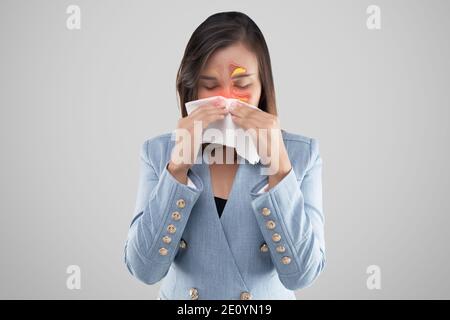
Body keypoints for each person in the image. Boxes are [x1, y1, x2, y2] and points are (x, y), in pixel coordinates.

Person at [123, 11, 326, 300]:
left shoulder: (301, 154)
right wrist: (177, 167)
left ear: (262, 87)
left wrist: (280, 169)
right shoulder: (158, 153)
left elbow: (303, 275)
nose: (227, 99)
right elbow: (144, 270)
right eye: (209, 84)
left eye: (242, 85)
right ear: (192, 88)